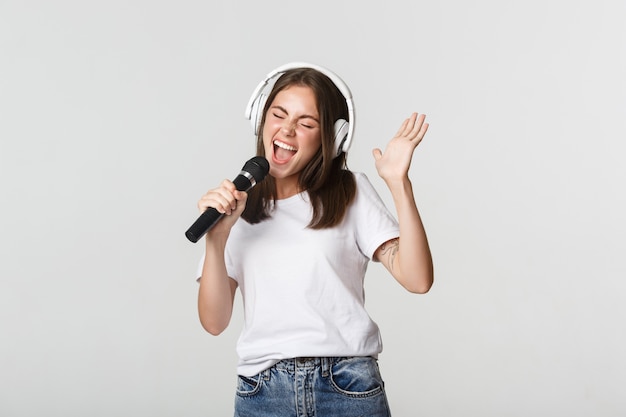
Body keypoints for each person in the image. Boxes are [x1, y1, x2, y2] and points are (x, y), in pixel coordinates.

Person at [195, 62, 433, 417]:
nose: (287, 130)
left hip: (348, 386)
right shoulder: (235, 207)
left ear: (332, 139)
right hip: (263, 391)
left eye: (306, 123)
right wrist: (216, 239)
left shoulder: (350, 192)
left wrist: (399, 184)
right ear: (261, 120)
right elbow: (214, 322)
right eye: (279, 114)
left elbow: (418, 279)